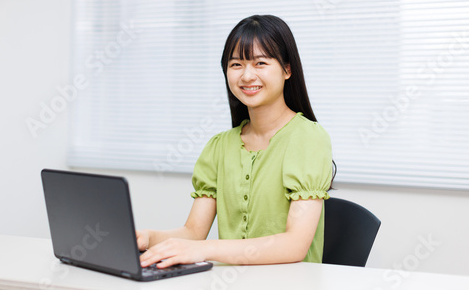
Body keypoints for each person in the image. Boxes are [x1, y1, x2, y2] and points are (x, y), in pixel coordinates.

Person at [137, 15, 334, 268]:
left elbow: (294, 245)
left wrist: (204, 249)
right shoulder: (219, 146)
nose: (247, 75)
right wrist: (149, 238)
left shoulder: (308, 138)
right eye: (236, 64)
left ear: (287, 69)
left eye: (260, 62)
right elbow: (194, 233)